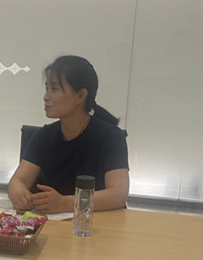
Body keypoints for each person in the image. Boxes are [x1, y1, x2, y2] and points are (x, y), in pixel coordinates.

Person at [7, 55, 129, 213]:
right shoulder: (44, 135)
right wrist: (19, 193)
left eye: (54, 89)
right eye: (46, 89)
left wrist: (64, 203)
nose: (46, 97)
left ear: (81, 95)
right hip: (50, 222)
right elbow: (17, 181)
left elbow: (118, 195)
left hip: (94, 222)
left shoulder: (111, 136)